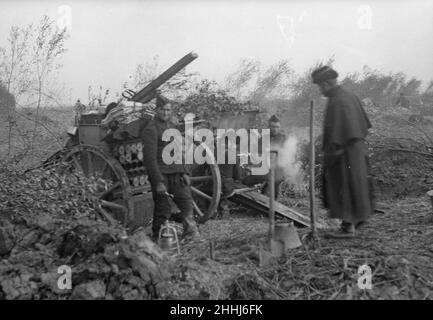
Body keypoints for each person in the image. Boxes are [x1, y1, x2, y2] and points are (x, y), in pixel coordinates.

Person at [311, 66, 374, 238]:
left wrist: (330, 154)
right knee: (356, 186)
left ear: (326, 83)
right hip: (357, 150)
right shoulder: (350, 95)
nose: (320, 90)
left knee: (344, 186)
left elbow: (338, 133)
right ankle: (357, 219)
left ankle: (348, 227)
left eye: (320, 86)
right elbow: (361, 126)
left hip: (345, 152)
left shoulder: (337, 100)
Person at [140, 95, 199, 242]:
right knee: (163, 209)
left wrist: (185, 171)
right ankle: (159, 239)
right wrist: (158, 181)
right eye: (162, 110)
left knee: (186, 202)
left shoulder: (172, 127)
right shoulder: (151, 130)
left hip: (177, 174)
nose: (166, 113)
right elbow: (150, 159)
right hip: (161, 175)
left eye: (168, 110)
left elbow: (179, 151)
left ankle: (191, 234)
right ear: (156, 110)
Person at [242, 115, 287, 199]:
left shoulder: (283, 138)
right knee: (245, 181)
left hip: (278, 171)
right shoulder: (264, 138)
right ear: (269, 126)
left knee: (274, 184)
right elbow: (256, 153)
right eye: (273, 127)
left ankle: (273, 206)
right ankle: (256, 199)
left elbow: (287, 154)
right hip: (264, 169)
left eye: (277, 127)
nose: (275, 129)